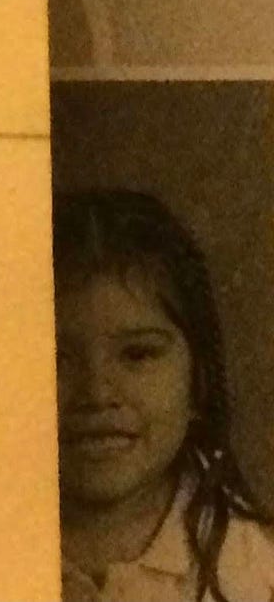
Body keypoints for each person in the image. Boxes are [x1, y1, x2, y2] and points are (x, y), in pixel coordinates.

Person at [55, 188, 274, 601]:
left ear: (199, 380)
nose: (97, 392)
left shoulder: (254, 569)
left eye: (137, 354)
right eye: (57, 359)